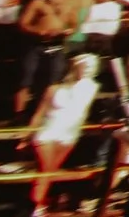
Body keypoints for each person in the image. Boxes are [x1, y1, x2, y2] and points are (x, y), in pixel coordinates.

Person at [30, 52, 102, 209]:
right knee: (46, 169)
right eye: (83, 66)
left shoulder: (91, 88)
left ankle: (38, 202)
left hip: (68, 134)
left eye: (90, 67)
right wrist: (25, 135)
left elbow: (84, 110)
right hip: (47, 131)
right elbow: (40, 113)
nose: (86, 70)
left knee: (51, 170)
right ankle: (36, 205)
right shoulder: (53, 89)